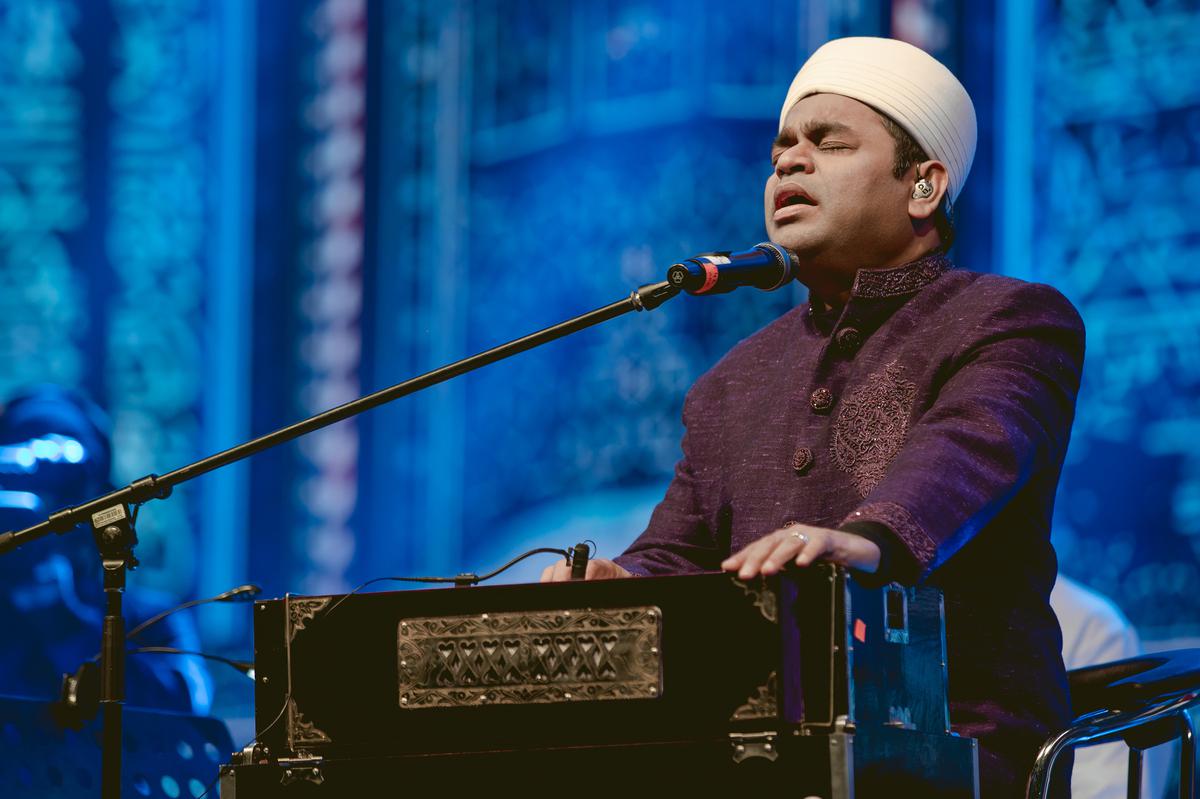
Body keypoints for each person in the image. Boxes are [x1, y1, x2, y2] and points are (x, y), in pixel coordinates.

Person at [542, 37, 1083, 797]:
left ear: (923, 186)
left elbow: (970, 449)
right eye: (782, 149)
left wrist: (865, 539)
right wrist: (616, 581)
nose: (789, 163)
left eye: (828, 143)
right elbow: (676, 551)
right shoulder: (732, 382)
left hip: (963, 751)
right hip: (758, 754)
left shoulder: (1010, 319)